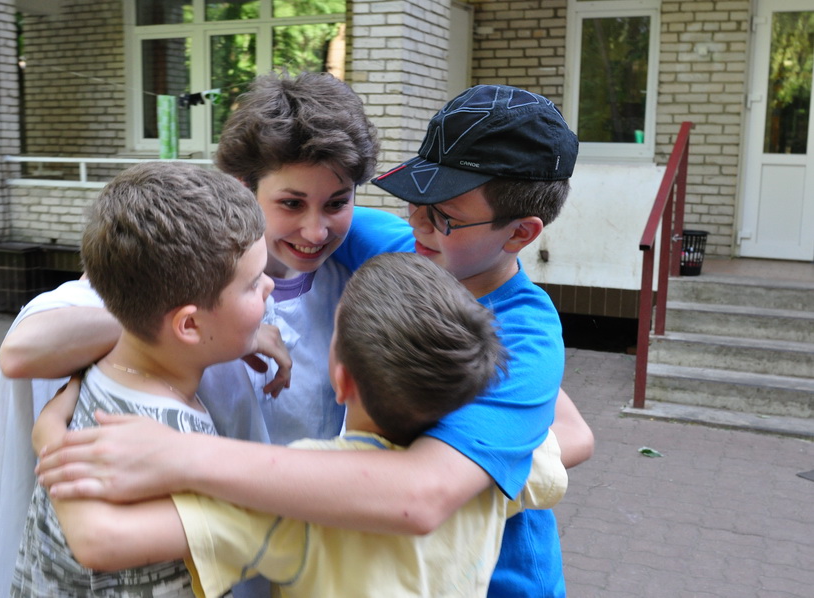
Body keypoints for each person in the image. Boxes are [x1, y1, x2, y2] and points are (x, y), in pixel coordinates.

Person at [36, 84, 587, 597]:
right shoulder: (400, 246)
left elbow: (420, 496)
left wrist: (177, 454)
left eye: (443, 216)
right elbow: (268, 202)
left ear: (521, 232)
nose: (416, 223)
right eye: (414, 199)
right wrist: (145, 288)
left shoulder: (525, 334)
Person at [32, 252, 568, 598]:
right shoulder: (485, 473)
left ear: (340, 378)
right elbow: (562, 441)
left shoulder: (297, 497)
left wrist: (50, 433)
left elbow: (99, 541)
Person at [9, 160, 274, 596]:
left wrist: (48, 431)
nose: (268, 287)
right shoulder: (167, 443)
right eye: (253, 283)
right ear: (189, 325)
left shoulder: (94, 375)